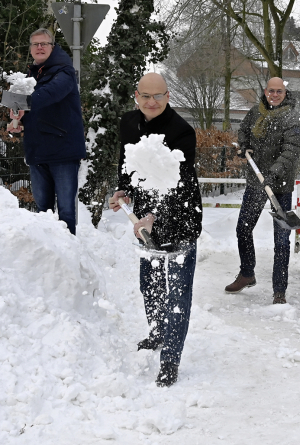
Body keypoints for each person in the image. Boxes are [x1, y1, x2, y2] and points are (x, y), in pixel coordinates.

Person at [109, 72, 202, 387]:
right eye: (145, 96)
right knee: (149, 284)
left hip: (180, 219)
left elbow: (179, 188)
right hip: (145, 223)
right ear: (136, 95)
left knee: (177, 294)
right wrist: (124, 191)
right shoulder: (127, 123)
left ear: (168, 96)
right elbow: (127, 165)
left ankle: (171, 360)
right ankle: (157, 331)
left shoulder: (181, 133)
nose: (151, 102)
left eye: (157, 96)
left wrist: (154, 216)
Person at [226, 77, 300, 304]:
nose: (275, 95)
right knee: (243, 228)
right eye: (271, 91)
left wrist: (273, 173)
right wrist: (243, 146)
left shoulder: (293, 116)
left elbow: (292, 150)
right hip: (256, 182)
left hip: (280, 186)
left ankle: (279, 290)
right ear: (266, 91)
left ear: (285, 92)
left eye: (279, 91)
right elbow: (243, 132)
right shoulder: (256, 111)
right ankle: (247, 273)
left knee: (281, 241)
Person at [8, 28, 86, 234]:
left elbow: (50, 94)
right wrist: (19, 121)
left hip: (63, 152)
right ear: (31, 49)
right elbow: (38, 111)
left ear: (53, 47)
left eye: (44, 44)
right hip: (37, 151)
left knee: (66, 213)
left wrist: (21, 101)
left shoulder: (65, 72)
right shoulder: (31, 76)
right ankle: (48, 258)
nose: (39, 47)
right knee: (43, 212)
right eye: (35, 44)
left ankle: (68, 257)